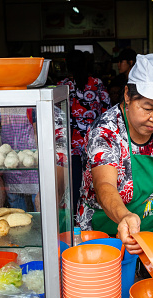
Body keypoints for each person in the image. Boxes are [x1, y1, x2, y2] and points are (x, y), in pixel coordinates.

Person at [76, 53, 153, 254]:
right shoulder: (106, 131)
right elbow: (104, 186)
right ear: (127, 95)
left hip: (150, 229)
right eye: (148, 108)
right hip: (107, 234)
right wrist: (124, 217)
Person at [57, 49, 110, 208]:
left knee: (73, 184)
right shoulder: (97, 84)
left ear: (68, 65)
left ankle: (73, 219)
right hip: (93, 143)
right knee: (94, 182)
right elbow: (107, 111)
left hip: (70, 144)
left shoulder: (62, 86)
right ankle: (90, 215)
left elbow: (56, 116)